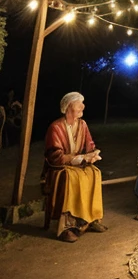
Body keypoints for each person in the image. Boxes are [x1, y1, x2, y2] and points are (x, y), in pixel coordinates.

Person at [43, 92, 107, 243]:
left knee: (94, 173)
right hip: (60, 168)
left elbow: (89, 145)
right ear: (69, 106)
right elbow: (55, 156)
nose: (82, 107)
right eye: (79, 104)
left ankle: (90, 219)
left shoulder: (82, 125)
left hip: (78, 165)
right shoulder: (56, 127)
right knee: (71, 178)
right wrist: (76, 159)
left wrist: (92, 154)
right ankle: (67, 227)